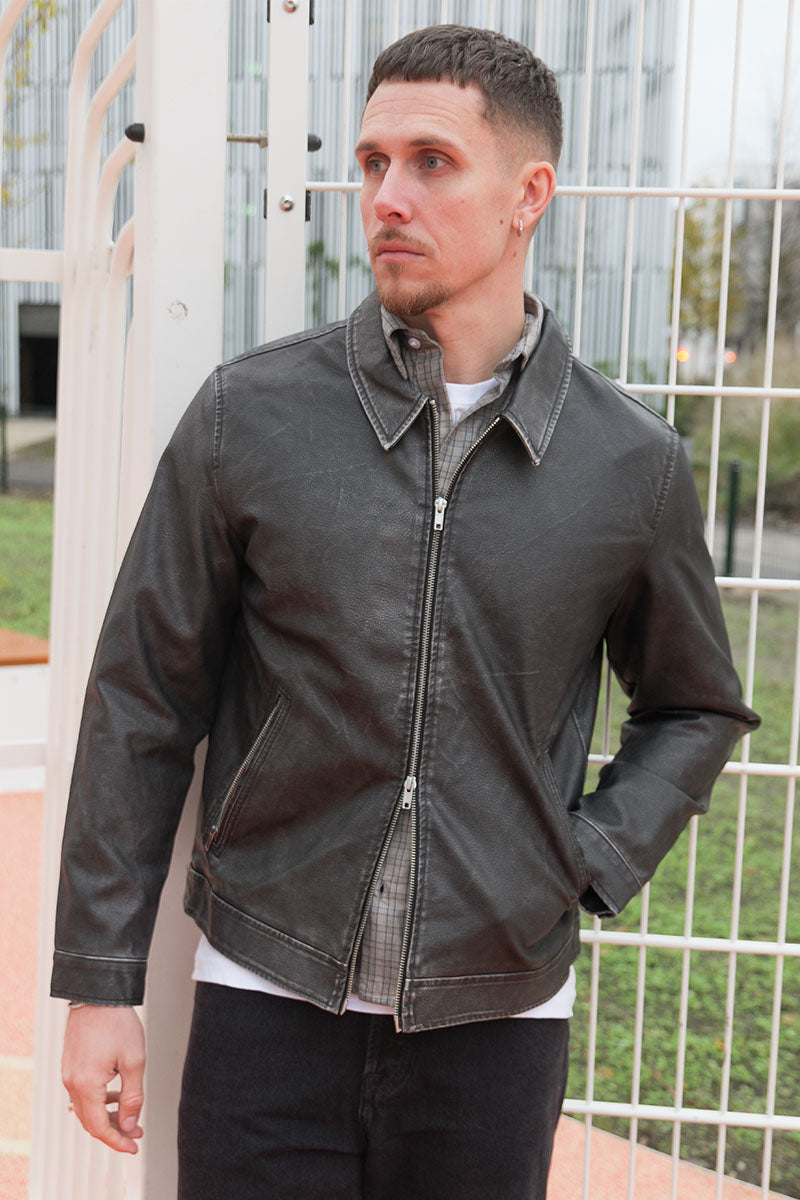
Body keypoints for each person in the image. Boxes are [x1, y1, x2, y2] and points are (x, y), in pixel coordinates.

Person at [53, 24, 758, 1200]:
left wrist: (580, 860)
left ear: (528, 194)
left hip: (496, 1020)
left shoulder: (627, 465)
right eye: (373, 162)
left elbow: (694, 707)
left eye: (432, 162)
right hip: (264, 994)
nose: (386, 195)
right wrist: (98, 984)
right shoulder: (248, 417)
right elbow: (142, 700)